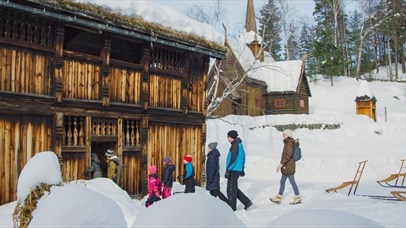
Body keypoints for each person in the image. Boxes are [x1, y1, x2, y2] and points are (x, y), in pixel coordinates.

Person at [270, 129, 302, 205]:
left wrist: (280, 164)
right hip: (287, 165)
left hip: (289, 166)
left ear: (288, 135)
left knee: (292, 181)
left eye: (284, 134)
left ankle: (297, 197)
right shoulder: (288, 142)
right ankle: (279, 197)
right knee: (282, 181)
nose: (283, 136)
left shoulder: (288, 143)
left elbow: (287, 156)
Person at [225, 130, 253, 211]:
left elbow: (233, 158)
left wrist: (228, 169)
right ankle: (247, 202)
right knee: (233, 188)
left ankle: (232, 208)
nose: (227, 138)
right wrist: (242, 168)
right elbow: (243, 157)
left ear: (231, 137)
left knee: (231, 189)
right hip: (236, 169)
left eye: (228, 136)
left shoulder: (235, 145)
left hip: (233, 170)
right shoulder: (240, 144)